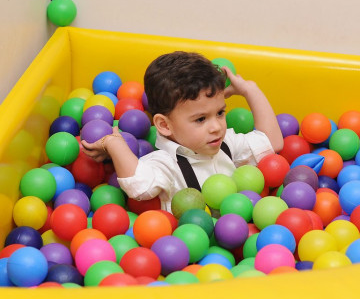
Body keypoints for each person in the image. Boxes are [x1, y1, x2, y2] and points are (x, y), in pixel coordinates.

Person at [82, 51, 284, 212]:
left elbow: (272, 142)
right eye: (201, 119)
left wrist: (250, 90)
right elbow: (138, 186)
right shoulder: (166, 163)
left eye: (220, 113)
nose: (216, 127)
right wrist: (114, 143)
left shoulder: (227, 144)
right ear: (164, 125)